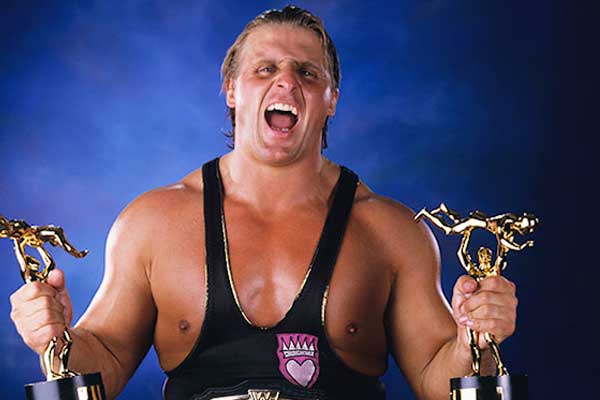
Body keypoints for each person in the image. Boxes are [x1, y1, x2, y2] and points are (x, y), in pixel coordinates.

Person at [9, 6, 518, 400]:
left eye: (307, 73)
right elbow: (106, 356)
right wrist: (55, 338)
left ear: (331, 99)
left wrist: (475, 341)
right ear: (232, 90)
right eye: (265, 68)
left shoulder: (391, 231)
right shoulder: (153, 223)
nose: (286, 81)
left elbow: (437, 378)